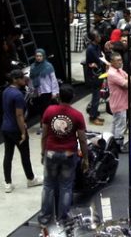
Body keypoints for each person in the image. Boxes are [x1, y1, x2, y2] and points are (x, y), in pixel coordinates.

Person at [39, 85, 89, 232]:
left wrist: (42, 152)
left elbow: (44, 134)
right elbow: (83, 139)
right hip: (68, 154)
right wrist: (85, 158)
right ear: (72, 97)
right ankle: (63, 219)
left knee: (48, 186)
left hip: (50, 153)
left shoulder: (49, 111)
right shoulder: (77, 115)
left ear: (59, 96)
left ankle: (44, 220)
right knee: (66, 187)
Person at [1, 69, 41, 193]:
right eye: (22, 78)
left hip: (5, 127)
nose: (24, 79)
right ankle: (31, 179)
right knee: (25, 155)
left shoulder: (6, 91)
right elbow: (19, 115)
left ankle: (8, 183)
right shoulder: (18, 95)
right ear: (15, 80)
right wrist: (23, 132)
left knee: (8, 155)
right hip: (16, 129)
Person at [107, 52, 130, 152]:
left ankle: (112, 144)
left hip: (121, 102)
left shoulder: (119, 70)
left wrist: (128, 79)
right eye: (118, 60)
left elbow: (128, 77)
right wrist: (129, 80)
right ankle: (119, 146)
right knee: (120, 126)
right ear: (112, 62)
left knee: (116, 124)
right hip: (118, 104)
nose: (120, 62)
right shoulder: (112, 73)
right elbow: (127, 84)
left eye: (121, 60)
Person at [84, 31, 108, 126]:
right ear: (94, 38)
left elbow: (101, 57)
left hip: (99, 73)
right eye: (98, 36)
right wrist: (102, 62)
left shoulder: (97, 46)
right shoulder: (90, 49)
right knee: (96, 97)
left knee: (97, 96)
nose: (100, 37)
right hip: (93, 75)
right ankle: (92, 117)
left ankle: (95, 114)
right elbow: (99, 60)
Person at [29, 48, 59, 122]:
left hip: (47, 91)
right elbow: (31, 80)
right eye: (37, 56)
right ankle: (44, 124)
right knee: (41, 110)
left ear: (43, 56)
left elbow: (53, 80)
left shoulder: (48, 66)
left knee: (48, 109)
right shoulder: (33, 67)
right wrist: (31, 92)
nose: (38, 58)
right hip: (37, 92)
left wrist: (54, 92)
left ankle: (50, 123)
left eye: (40, 56)